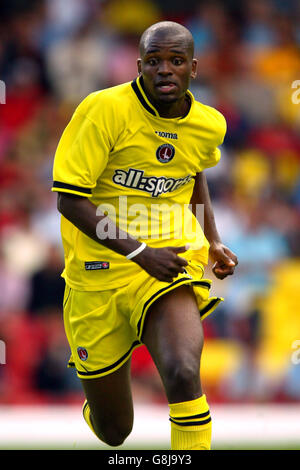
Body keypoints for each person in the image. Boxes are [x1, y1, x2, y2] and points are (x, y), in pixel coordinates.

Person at [52, 21, 238, 450]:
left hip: (167, 261)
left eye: (175, 61)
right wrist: (138, 251)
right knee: (115, 431)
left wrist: (211, 239)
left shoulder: (209, 124)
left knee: (183, 372)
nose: (165, 70)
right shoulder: (103, 110)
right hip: (96, 276)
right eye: (154, 61)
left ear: (194, 67)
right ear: (139, 66)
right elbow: (69, 201)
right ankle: (99, 409)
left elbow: (193, 172)